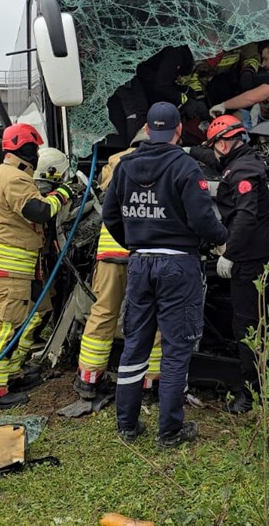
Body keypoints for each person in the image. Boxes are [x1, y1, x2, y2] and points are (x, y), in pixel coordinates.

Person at [102, 102, 228, 449]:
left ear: (146, 128)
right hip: (177, 265)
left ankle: (127, 425)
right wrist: (221, 238)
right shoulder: (185, 167)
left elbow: (109, 214)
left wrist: (136, 240)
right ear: (177, 131)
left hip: (141, 263)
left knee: (134, 347)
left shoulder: (125, 166)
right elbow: (203, 219)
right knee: (175, 350)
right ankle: (169, 431)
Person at [0, 124, 74, 409]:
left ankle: (11, 372)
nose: (38, 153)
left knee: (27, 316)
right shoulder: (15, 179)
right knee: (5, 326)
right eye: (36, 148)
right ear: (26, 149)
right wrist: (63, 193)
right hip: (8, 267)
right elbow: (39, 211)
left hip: (12, 265)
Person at [74, 128, 164, 401]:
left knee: (103, 311)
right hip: (146, 252)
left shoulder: (115, 162)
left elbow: (104, 196)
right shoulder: (167, 162)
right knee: (154, 316)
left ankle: (88, 380)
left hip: (112, 249)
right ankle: (149, 384)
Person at [206, 115, 269, 414]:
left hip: (250, 261)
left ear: (224, 143)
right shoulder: (242, 163)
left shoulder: (243, 172)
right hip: (261, 255)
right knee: (259, 324)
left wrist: (230, 253)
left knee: (247, 326)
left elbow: (246, 216)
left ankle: (251, 395)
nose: (212, 152)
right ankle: (266, 382)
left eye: (214, 146)